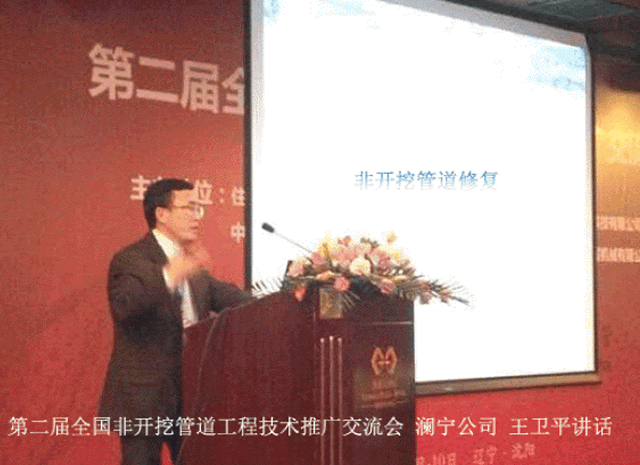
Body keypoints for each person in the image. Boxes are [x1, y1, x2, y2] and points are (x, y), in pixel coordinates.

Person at [98, 178, 250, 465]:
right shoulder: (131, 259)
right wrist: (169, 275)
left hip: (191, 393)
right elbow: (127, 308)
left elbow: (231, 298)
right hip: (144, 399)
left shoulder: (189, 264)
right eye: (189, 208)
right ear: (161, 214)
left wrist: (288, 292)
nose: (197, 216)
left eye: (199, 208)